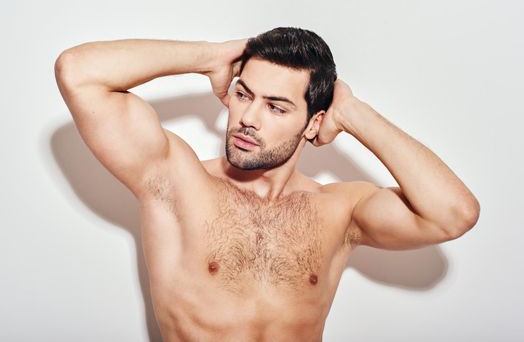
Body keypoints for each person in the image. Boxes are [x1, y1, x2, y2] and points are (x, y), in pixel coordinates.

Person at [54, 27, 480, 341]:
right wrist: (209, 56)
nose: (248, 118)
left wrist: (353, 113)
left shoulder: (339, 210)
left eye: (276, 107)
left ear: (313, 122)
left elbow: (453, 214)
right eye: (244, 95)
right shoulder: (175, 179)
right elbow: (77, 72)